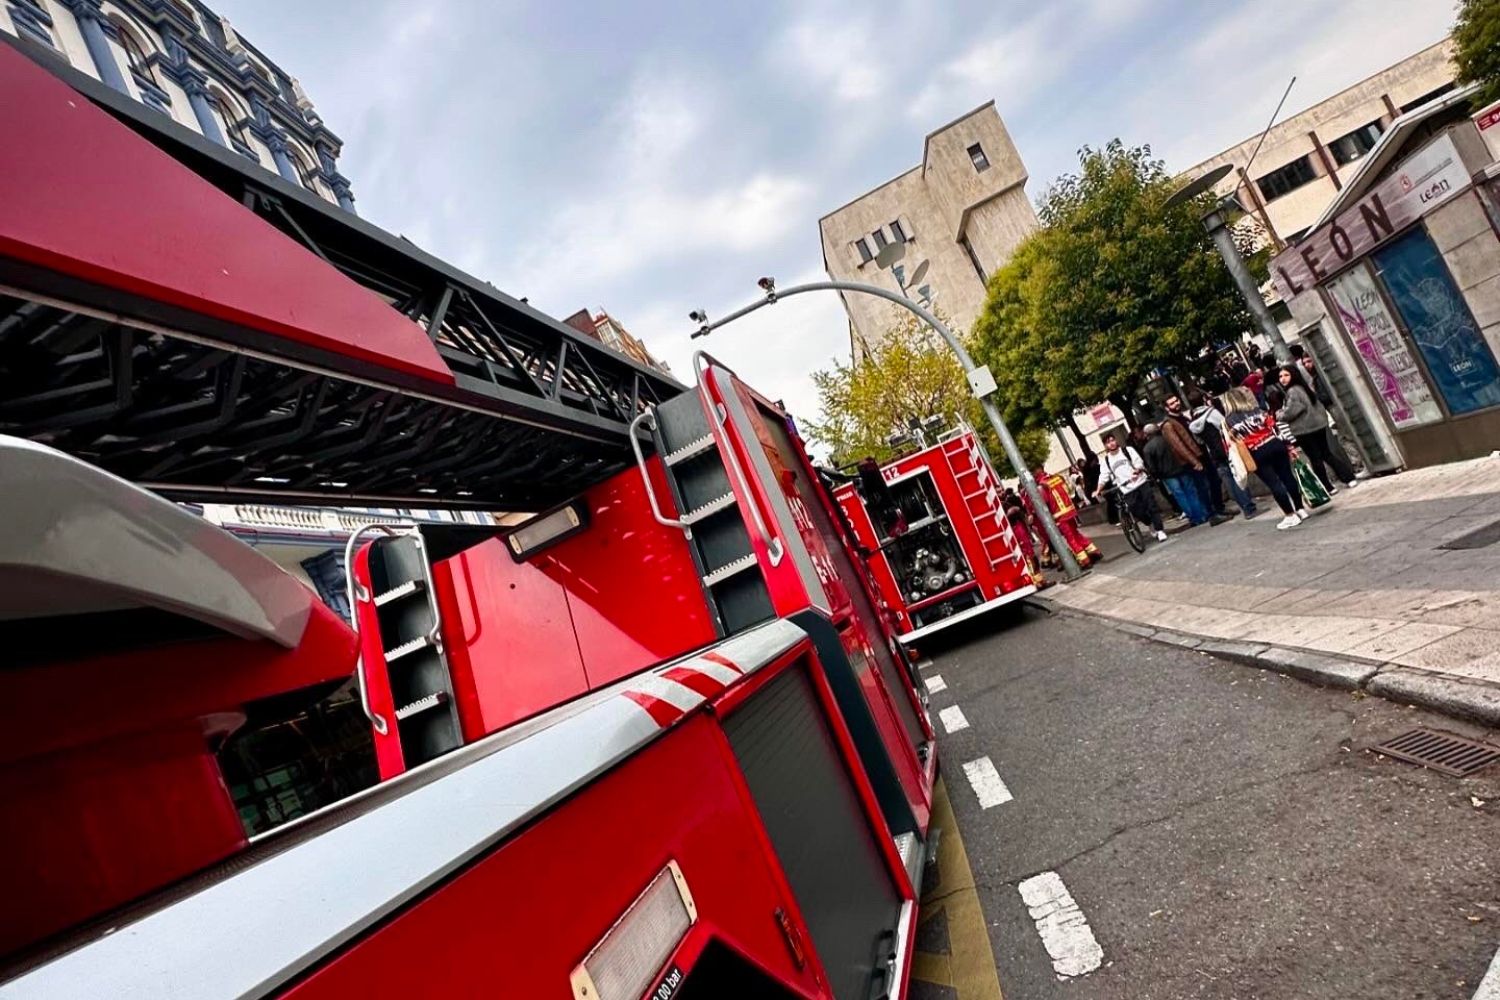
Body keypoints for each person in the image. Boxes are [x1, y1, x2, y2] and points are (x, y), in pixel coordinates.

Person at [1220, 386, 1309, 530]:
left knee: (1274, 483)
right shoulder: (1258, 411)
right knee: (1288, 477)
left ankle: (1290, 515)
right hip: (1275, 443)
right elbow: (1275, 428)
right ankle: (1300, 509)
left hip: (1257, 451)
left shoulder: (1228, 421)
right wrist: (1289, 446)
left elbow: (1230, 444)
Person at [1276, 365, 1358, 494]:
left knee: (1315, 458)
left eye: (1286, 375)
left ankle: (1327, 486)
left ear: (1293, 375)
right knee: (1326, 454)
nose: (1283, 379)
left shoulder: (1292, 391)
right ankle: (1348, 478)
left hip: (1304, 430)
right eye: (1281, 376)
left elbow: (1291, 412)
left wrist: (1279, 414)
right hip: (1318, 426)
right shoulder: (1304, 387)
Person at [1188, 391, 1259, 519]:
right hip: (1226, 448)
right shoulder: (1212, 413)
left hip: (1213, 453)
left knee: (1229, 481)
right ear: (1203, 399)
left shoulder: (1193, 423)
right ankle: (1249, 507)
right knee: (1238, 475)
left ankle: (1244, 507)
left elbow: (1199, 440)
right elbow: (1225, 426)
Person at [1163, 394, 1233, 524]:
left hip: (1202, 453)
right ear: (1167, 408)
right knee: (1203, 487)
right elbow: (1178, 446)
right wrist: (1194, 462)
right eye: (1172, 403)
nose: (1176, 404)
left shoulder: (1183, 417)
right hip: (1193, 460)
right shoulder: (1168, 424)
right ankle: (1212, 515)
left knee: (1215, 481)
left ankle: (1219, 509)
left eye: (1176, 400)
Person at [1096, 432, 1168, 542]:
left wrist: (1137, 470)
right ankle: (1149, 523)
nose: (1111, 443)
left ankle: (1160, 530)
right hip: (1127, 489)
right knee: (1137, 511)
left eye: (1112, 440)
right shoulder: (1106, 460)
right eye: (1108, 442)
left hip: (1140, 482)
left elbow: (1138, 461)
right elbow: (1104, 476)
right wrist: (1098, 489)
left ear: (1116, 440)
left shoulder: (1127, 450)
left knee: (1151, 506)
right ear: (1105, 445)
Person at [1033, 465, 1102, 565]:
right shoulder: (1057, 477)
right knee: (1076, 534)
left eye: (1033, 472)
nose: (1033, 475)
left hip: (1059, 515)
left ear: (1036, 471)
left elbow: (1045, 503)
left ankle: (1084, 560)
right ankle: (1094, 552)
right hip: (1070, 511)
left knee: (1070, 538)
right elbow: (1068, 490)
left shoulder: (1041, 485)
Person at [1141, 422, 1207, 526]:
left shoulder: (1147, 448)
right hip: (1181, 468)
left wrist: (1157, 477)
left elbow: (1152, 467)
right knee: (1191, 492)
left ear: (1146, 434)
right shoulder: (1167, 440)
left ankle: (1194, 518)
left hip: (1166, 475)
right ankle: (1201, 514)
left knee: (1180, 496)